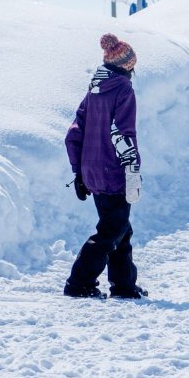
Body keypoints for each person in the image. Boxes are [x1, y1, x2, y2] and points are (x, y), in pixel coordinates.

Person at [64, 33, 147, 300]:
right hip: (114, 171)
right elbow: (121, 133)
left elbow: (73, 134)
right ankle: (79, 283)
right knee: (111, 231)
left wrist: (79, 172)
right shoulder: (123, 90)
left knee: (120, 228)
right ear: (127, 66)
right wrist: (132, 170)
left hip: (92, 172)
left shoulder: (94, 91)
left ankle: (123, 285)